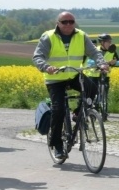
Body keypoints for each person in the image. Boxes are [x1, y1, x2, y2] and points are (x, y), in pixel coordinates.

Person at [32, 12, 108, 160]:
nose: (68, 24)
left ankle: (78, 113)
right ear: (58, 23)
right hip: (55, 78)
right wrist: (46, 67)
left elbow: (94, 52)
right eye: (64, 22)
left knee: (92, 89)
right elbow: (38, 56)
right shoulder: (48, 36)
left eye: (71, 22)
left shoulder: (81, 36)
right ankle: (57, 145)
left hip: (73, 74)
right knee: (58, 109)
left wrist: (102, 63)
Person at [85, 33, 119, 121]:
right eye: (108, 42)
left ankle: (104, 113)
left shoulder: (112, 51)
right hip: (93, 76)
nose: (110, 43)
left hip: (105, 76)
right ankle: (88, 113)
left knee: (104, 95)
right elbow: (90, 62)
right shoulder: (94, 50)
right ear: (102, 42)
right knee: (90, 96)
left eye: (110, 41)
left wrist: (115, 63)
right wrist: (106, 63)